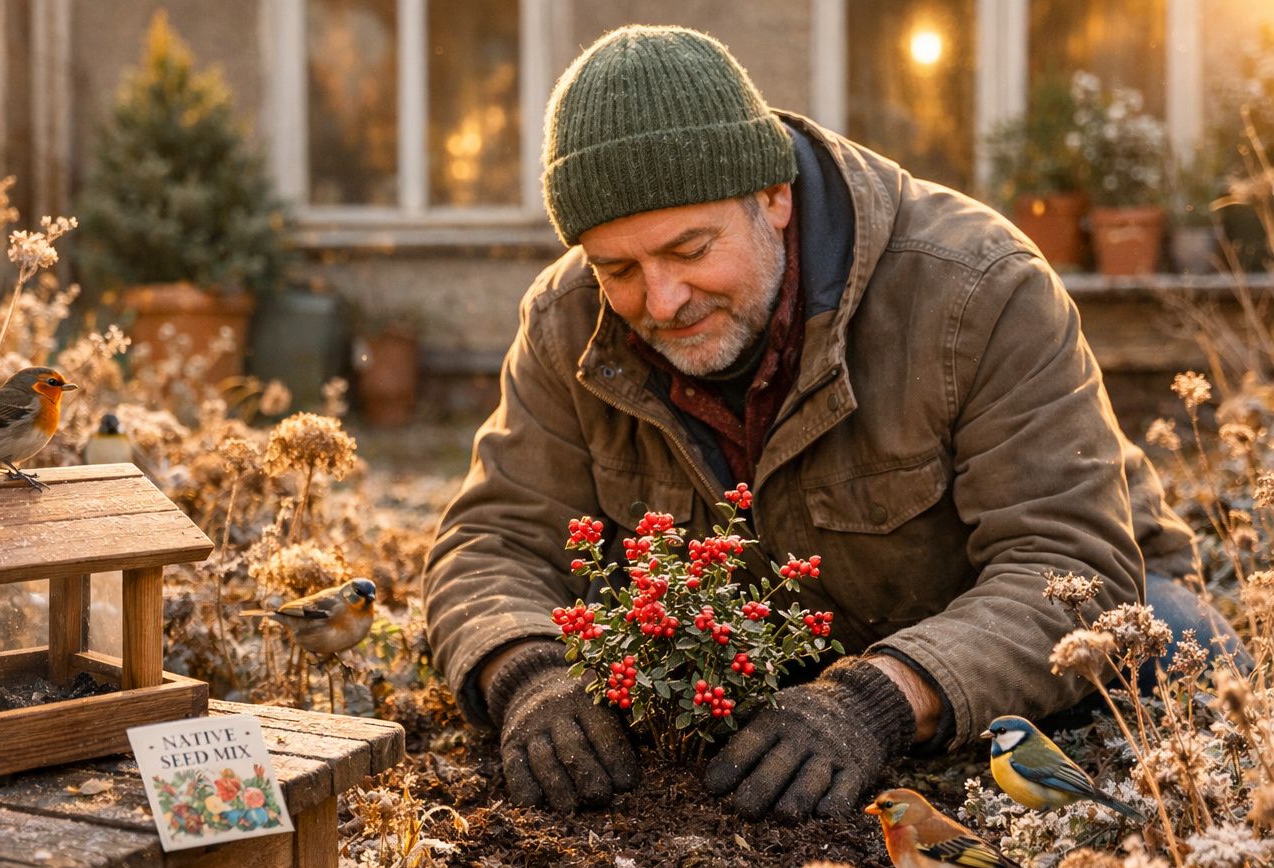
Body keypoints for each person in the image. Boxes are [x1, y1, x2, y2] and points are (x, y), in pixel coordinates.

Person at [422, 24, 1226, 821]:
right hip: (770, 692)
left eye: (691, 250)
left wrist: (884, 696)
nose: (662, 301)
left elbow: (1066, 565)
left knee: (1182, 659)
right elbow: (494, 542)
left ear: (773, 197)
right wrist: (525, 669)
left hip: (1019, 633)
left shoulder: (978, 288)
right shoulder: (567, 320)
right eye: (619, 268)